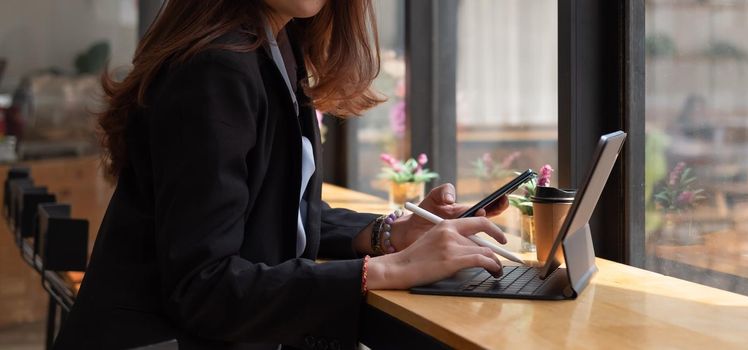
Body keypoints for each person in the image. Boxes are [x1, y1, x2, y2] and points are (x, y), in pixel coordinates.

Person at [54, 1, 510, 349]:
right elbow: (205, 287)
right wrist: (392, 268)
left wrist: (389, 234)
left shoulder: (272, 47)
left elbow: (272, 206)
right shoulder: (216, 66)